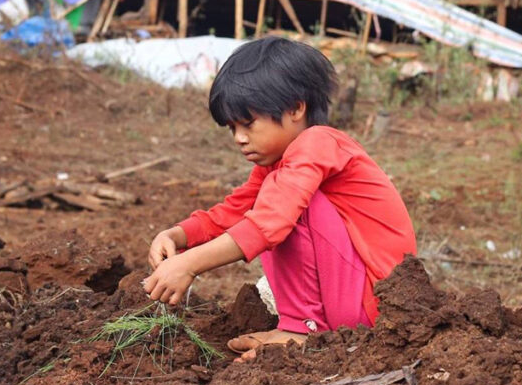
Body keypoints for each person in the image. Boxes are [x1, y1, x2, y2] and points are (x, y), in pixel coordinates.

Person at [143, 36, 416, 361]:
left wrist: (189, 265)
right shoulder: (278, 164)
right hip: (354, 299)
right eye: (232, 128)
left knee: (282, 207)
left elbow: (269, 223)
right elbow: (234, 210)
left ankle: (301, 330)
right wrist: (178, 235)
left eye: (248, 124)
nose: (240, 138)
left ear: (296, 108)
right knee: (273, 198)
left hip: (374, 306)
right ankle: (301, 325)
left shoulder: (318, 143)